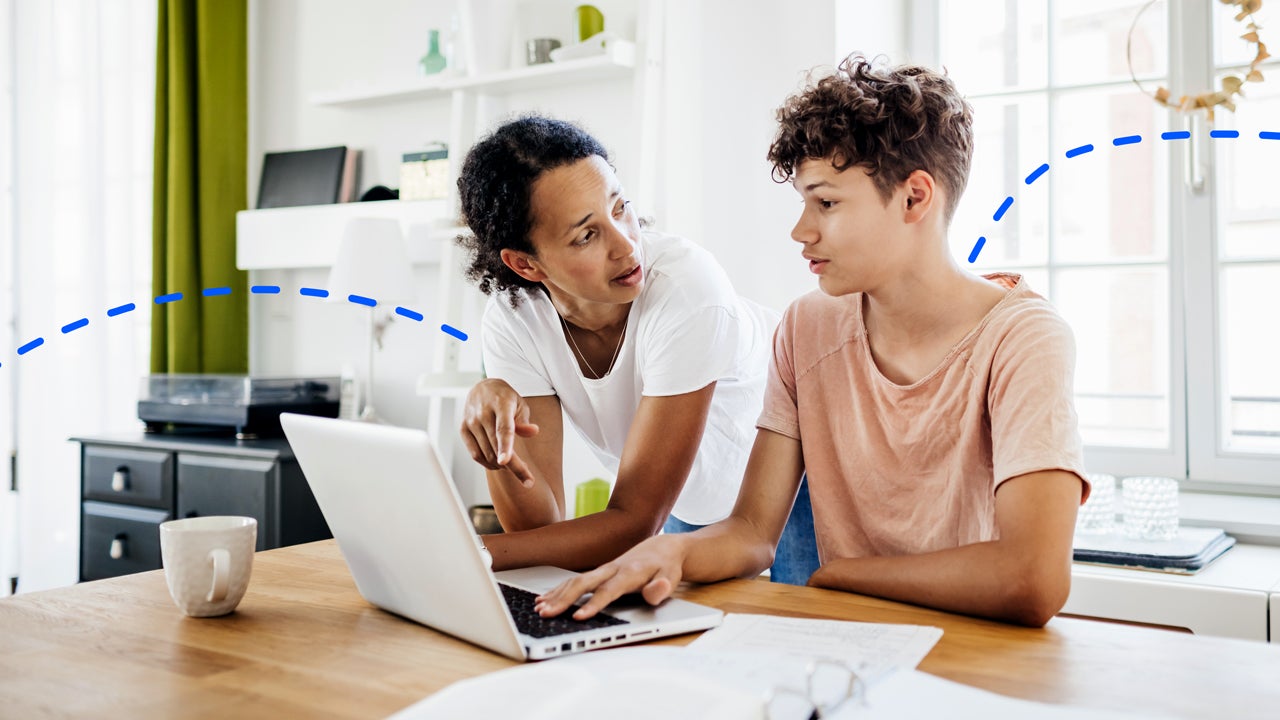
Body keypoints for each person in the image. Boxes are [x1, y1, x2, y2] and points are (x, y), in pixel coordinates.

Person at [535, 57, 1091, 627]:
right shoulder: (807, 327)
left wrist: (843, 576)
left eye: (825, 203)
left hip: (972, 653)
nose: (800, 231)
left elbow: (1032, 578)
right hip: (846, 647)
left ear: (914, 198)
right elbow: (751, 533)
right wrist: (667, 552)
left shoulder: (1024, 340)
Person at [455, 115, 819, 582]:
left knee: (801, 620)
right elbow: (540, 533)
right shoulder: (514, 319)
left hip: (794, 472)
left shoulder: (686, 289)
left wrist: (464, 552)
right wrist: (496, 441)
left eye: (620, 207)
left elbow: (634, 523)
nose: (627, 246)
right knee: (688, 625)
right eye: (587, 235)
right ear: (525, 265)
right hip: (686, 494)